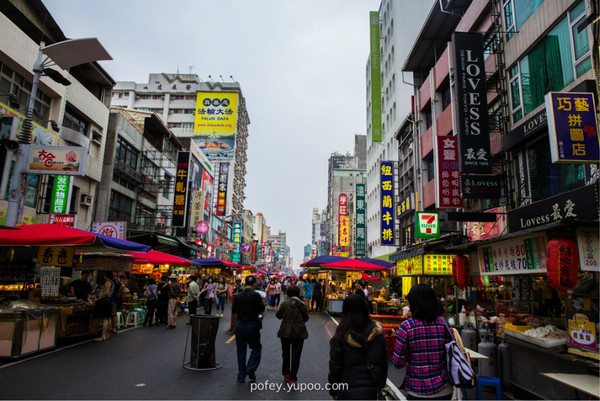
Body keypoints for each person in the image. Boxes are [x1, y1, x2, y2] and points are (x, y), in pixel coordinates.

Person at [393, 284, 453, 400]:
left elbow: (398, 362)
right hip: (444, 388)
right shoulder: (444, 323)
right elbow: (451, 353)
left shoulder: (407, 326)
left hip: (418, 389)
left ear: (413, 303)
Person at [328, 294, 388, 400]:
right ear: (365, 309)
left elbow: (335, 368)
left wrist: (333, 391)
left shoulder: (341, 335)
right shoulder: (377, 334)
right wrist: (380, 385)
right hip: (370, 392)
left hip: (346, 391)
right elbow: (383, 364)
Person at [232, 275, 265, 384]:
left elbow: (234, 310)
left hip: (240, 324)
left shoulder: (238, 296)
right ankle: (250, 367)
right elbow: (262, 308)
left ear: (245, 283)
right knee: (256, 348)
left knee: (241, 350)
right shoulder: (256, 296)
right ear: (254, 284)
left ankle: (241, 375)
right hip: (252, 324)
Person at [276, 285, 309, 385]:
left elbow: (278, 316)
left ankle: (286, 374)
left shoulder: (285, 304)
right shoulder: (302, 304)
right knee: (296, 355)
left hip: (285, 332)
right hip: (299, 332)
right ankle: (293, 378)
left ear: (288, 293)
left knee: (285, 353)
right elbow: (306, 318)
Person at [94, 272, 114, 342]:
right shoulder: (112, 282)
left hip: (105, 301)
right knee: (108, 318)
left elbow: (106, 293)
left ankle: (103, 335)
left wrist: (98, 298)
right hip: (109, 301)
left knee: (105, 318)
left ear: (106, 276)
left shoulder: (108, 282)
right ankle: (107, 334)